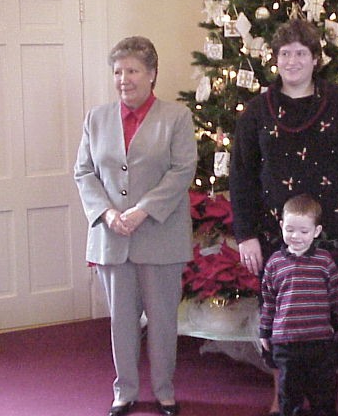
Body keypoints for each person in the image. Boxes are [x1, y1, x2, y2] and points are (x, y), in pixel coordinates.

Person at [229, 18, 338, 415]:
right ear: (275, 59)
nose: (292, 61)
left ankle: (331, 394)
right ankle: (283, 395)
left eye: (300, 53)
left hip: (334, 236)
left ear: (315, 59)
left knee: (335, 314)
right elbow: (240, 175)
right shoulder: (256, 112)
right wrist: (245, 235)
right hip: (275, 239)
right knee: (281, 317)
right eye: (285, 53)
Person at [74, 36, 197, 416]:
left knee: (162, 322)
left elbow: (182, 171)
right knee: (122, 322)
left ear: (152, 74)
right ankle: (124, 391)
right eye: (117, 72)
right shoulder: (96, 118)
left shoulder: (177, 117)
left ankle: (164, 391)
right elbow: (84, 173)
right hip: (112, 237)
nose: (123, 79)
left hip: (160, 235)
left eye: (132, 71)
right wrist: (108, 214)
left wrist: (143, 211)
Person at [260, 194, 338, 416]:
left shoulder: (324, 261)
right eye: (290, 230)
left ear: (316, 231)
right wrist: (265, 331)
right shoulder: (274, 263)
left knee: (324, 393)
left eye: (304, 231)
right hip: (286, 343)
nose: (296, 236)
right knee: (289, 395)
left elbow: (337, 296)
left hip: (319, 342)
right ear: (281, 226)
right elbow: (268, 302)